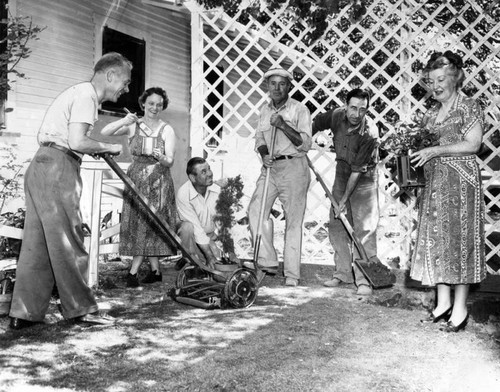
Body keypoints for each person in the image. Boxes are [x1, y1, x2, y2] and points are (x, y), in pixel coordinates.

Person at [9, 52, 132, 329]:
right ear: (110, 75)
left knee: (36, 247)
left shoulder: (77, 93)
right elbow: (77, 141)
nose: (125, 89)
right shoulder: (87, 95)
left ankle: (24, 314)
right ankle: (81, 310)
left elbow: (74, 139)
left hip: (40, 165)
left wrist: (93, 146)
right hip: (58, 168)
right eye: (124, 82)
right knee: (70, 239)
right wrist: (108, 147)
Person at [410, 51, 486, 332]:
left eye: (441, 79)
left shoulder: (468, 106)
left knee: (460, 243)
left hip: (461, 184)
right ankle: (442, 304)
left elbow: (473, 144)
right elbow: (421, 146)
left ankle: (461, 308)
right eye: (431, 81)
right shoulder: (430, 113)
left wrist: (435, 150)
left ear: (455, 77)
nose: (436, 85)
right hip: (436, 184)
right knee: (439, 242)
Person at [101, 87, 177, 287]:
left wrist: (162, 157)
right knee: (140, 224)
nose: (154, 107)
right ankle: (155, 271)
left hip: (158, 180)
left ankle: (133, 273)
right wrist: (124, 121)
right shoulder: (134, 125)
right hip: (136, 179)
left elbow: (170, 160)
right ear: (143, 103)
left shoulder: (166, 129)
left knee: (152, 224)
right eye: (151, 103)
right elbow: (104, 132)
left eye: (159, 104)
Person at [247, 66, 312, 287]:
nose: (276, 88)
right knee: (255, 210)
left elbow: (305, 144)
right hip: (270, 168)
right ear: (267, 86)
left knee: (293, 221)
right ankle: (268, 261)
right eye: (272, 84)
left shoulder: (299, 110)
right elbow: (259, 140)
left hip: (294, 168)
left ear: (289, 86)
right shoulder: (264, 110)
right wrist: (264, 155)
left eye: (281, 84)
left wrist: (283, 124)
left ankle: (292, 274)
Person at [312, 88, 379, 296]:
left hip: (364, 178)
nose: (356, 114)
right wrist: (306, 140)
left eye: (362, 110)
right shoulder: (336, 116)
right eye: (352, 108)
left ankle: (364, 279)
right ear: (345, 105)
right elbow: (315, 123)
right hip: (342, 172)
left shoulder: (370, 133)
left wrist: (342, 200)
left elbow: (357, 173)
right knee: (337, 224)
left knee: (363, 229)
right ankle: (342, 273)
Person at [176, 157, 221, 269]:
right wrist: (209, 256)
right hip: (192, 236)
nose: (210, 174)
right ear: (192, 178)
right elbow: (196, 229)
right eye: (204, 172)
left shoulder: (217, 190)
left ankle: (190, 260)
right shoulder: (184, 194)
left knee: (218, 261)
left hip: (210, 236)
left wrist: (231, 251)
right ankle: (189, 258)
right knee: (187, 227)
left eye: (209, 169)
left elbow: (225, 223)